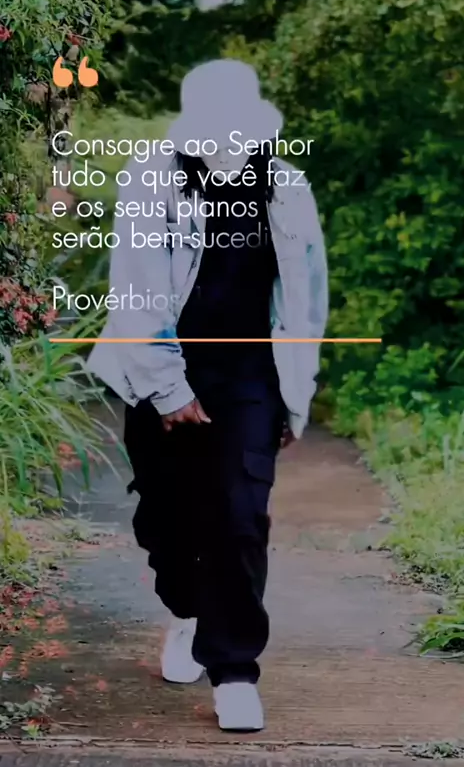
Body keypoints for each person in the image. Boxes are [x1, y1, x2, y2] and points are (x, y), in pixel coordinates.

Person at [88, 59, 328, 732]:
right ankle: (187, 610)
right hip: (158, 368)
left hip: (251, 377)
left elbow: (308, 296)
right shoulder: (153, 177)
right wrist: (169, 389)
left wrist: (296, 393)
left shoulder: (285, 186)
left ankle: (235, 671)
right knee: (167, 522)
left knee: (241, 515)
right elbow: (135, 288)